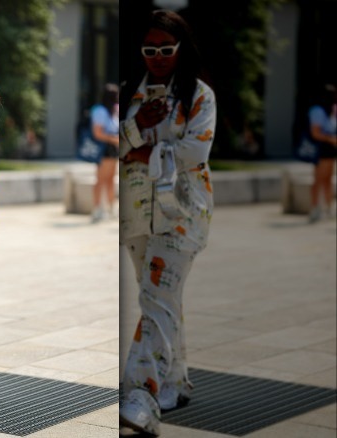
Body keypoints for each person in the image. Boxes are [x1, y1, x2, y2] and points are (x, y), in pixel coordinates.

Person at [118, 10, 216, 436]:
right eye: (149, 49)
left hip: (182, 213)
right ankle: (175, 384)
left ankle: (141, 395)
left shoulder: (199, 95)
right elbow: (115, 145)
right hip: (137, 212)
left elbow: (197, 152)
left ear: (181, 49)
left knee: (155, 299)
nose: (156, 57)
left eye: (165, 49)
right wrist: (137, 127)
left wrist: (142, 151)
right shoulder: (129, 95)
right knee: (159, 299)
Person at [306, 83, 337, 222]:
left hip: (330, 149)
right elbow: (315, 133)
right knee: (318, 180)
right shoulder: (317, 110)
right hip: (322, 148)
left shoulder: (332, 110)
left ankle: (329, 208)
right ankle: (315, 209)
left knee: (328, 180)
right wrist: (331, 139)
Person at [90, 83, 121, 222]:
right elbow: (97, 133)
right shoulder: (100, 111)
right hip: (104, 149)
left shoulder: (115, 111)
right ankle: (97, 209)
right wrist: (115, 139)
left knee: (110, 179)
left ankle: (111, 208)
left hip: (113, 149)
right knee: (101, 179)